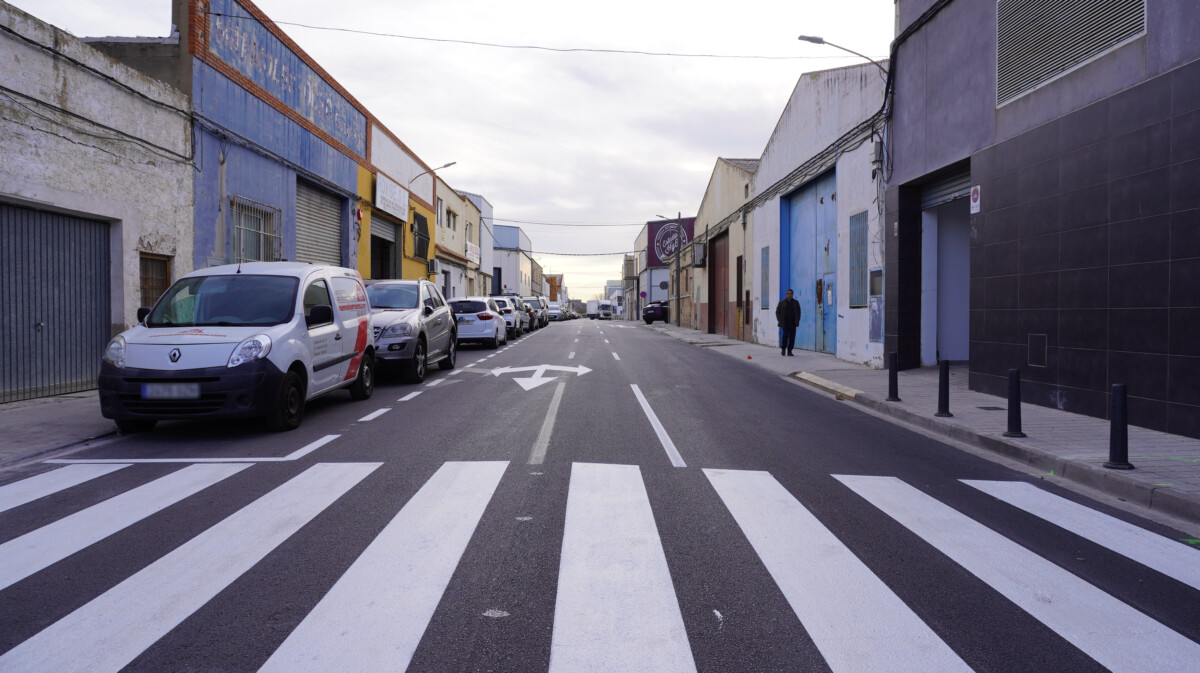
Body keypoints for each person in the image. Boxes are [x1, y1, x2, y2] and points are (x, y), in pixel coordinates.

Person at [776, 288, 801, 356]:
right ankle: (783, 349)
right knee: (785, 336)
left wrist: (797, 320)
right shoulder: (782, 302)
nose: (789, 295)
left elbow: (798, 312)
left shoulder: (796, 302)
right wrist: (779, 319)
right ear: (786, 294)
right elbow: (777, 312)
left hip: (793, 323)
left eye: (790, 294)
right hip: (785, 323)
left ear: (792, 295)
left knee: (792, 337)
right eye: (787, 294)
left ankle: (789, 351)